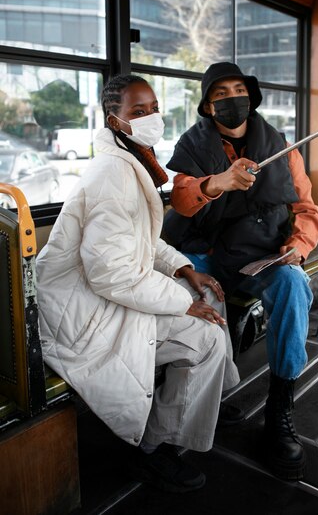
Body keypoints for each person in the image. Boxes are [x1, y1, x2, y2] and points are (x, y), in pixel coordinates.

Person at [36, 74, 240, 493]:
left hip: (103, 294)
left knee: (208, 297)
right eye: (137, 112)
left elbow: (141, 243)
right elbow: (111, 272)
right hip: (84, 313)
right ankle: (151, 450)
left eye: (154, 109)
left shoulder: (130, 162)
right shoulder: (113, 175)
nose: (151, 118)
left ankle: (211, 390)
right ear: (115, 121)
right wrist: (182, 306)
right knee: (205, 337)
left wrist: (185, 270)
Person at [163, 62, 318, 481]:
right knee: (185, 293)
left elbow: (306, 211)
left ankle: (279, 407)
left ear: (250, 97)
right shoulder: (191, 146)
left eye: (238, 90)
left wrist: (296, 248)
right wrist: (218, 183)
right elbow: (180, 198)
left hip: (260, 254)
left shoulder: (283, 148)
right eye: (220, 94)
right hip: (207, 252)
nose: (231, 99)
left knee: (293, 283)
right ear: (207, 106)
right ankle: (190, 405)